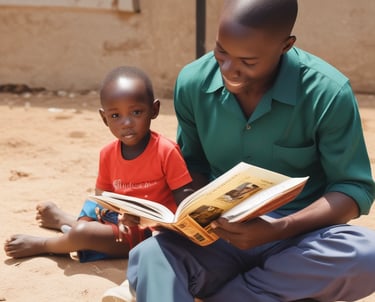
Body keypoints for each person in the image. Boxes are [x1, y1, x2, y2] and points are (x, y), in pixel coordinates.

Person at [104, 0, 375, 301]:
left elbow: (352, 189)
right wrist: (175, 215)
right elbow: (192, 164)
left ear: (285, 46)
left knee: (368, 256)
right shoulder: (193, 83)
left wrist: (280, 228)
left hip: (299, 239)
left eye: (248, 61)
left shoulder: (327, 93)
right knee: (152, 254)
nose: (228, 69)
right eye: (221, 51)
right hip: (219, 237)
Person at [3, 66, 192, 262]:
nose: (126, 123)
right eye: (115, 116)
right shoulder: (108, 153)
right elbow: (103, 197)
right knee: (91, 205)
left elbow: (183, 197)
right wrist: (118, 215)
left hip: (149, 232)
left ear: (154, 110)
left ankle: (46, 244)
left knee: (84, 234)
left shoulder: (166, 150)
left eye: (136, 112)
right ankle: (65, 221)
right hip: (119, 221)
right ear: (104, 118)